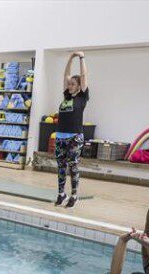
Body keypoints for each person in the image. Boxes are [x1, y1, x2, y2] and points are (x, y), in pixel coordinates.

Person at [54, 51, 89, 209]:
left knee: (73, 166)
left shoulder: (82, 97)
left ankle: (74, 195)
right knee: (61, 166)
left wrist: (81, 58)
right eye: (69, 84)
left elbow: (84, 74)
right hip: (60, 136)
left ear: (79, 86)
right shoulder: (66, 97)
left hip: (74, 137)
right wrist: (70, 57)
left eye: (73, 84)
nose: (69, 86)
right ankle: (62, 194)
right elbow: (66, 74)